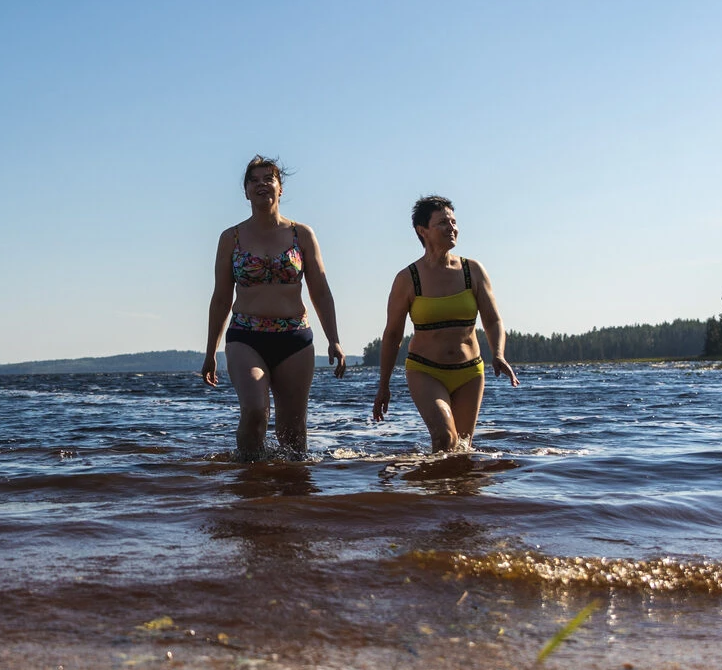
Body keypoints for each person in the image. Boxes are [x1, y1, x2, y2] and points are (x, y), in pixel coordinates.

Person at [201, 156, 346, 460]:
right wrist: (210, 352)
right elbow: (221, 297)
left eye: (269, 179)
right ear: (245, 192)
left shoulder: (301, 235)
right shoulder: (231, 238)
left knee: (292, 432)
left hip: (294, 337)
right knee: (255, 412)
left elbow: (320, 290)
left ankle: (292, 500)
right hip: (245, 336)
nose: (262, 184)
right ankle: (250, 488)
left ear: (280, 188)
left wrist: (334, 339)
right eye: (254, 180)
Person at [369, 195, 518, 452]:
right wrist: (384, 385)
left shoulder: (473, 271)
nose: (452, 228)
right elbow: (393, 334)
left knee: (462, 447)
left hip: (470, 372)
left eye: (454, 221)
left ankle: (450, 492)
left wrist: (499, 354)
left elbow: (493, 320)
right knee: (444, 439)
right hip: (425, 371)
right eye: (442, 223)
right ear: (422, 230)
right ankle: (431, 491)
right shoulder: (407, 278)